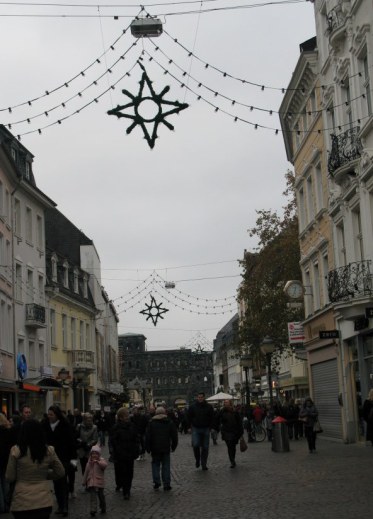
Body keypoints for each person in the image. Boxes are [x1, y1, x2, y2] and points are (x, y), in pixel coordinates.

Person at [5, 419, 65, 519]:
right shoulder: (48, 450)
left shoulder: (16, 450)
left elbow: (10, 477)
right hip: (43, 500)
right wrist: (44, 474)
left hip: (22, 500)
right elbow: (60, 472)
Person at [42, 405, 77, 516]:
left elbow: (72, 443)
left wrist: (73, 461)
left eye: (51, 414)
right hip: (51, 458)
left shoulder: (65, 425)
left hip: (64, 458)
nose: (49, 416)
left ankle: (65, 506)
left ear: (57, 415)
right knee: (56, 483)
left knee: (63, 482)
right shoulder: (45, 425)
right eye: (48, 414)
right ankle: (60, 505)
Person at [145, 406, 178, 491]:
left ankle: (157, 482)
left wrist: (148, 448)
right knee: (166, 466)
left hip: (154, 448)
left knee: (155, 465)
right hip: (165, 447)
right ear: (164, 413)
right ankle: (166, 484)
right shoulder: (169, 422)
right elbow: (174, 436)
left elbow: (148, 436)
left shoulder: (151, 423)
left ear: (156, 413)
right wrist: (173, 446)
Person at [110, 407, 139, 500]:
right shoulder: (116, 427)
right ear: (120, 417)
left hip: (130, 453)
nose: (127, 417)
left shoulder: (132, 426)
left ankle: (128, 489)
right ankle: (125, 491)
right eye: (125, 415)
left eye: (127, 415)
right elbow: (113, 441)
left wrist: (136, 449)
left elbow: (136, 439)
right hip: (120, 454)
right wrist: (116, 451)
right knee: (123, 472)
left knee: (130, 473)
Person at [187, 392, 214, 470]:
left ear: (204, 397)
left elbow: (212, 418)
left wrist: (211, 427)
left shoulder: (209, 407)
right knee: (195, 445)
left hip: (206, 428)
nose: (200, 398)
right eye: (199, 397)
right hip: (196, 428)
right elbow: (188, 417)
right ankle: (197, 459)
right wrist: (189, 427)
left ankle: (204, 464)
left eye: (201, 397)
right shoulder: (193, 407)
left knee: (205, 447)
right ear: (197, 398)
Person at [82, 445, 107, 517]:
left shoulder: (101, 461)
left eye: (96, 454)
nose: (94, 455)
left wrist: (98, 462)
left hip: (99, 483)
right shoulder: (88, 463)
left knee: (101, 496)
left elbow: (105, 465)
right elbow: (86, 473)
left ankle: (103, 507)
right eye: (93, 454)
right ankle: (93, 509)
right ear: (91, 454)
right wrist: (84, 482)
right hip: (91, 483)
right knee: (92, 497)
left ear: (98, 454)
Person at [217, 400, 243, 468]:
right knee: (229, 446)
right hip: (226, 431)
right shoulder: (222, 411)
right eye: (225, 403)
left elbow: (239, 422)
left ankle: (233, 459)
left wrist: (240, 432)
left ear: (230, 404)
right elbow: (217, 418)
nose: (225, 404)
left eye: (227, 402)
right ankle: (232, 461)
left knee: (233, 447)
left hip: (234, 431)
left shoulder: (235, 412)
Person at [0, 413, 14, 513]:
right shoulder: (8, 431)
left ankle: (1, 506)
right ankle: (7, 504)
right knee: (6, 484)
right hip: (6, 461)